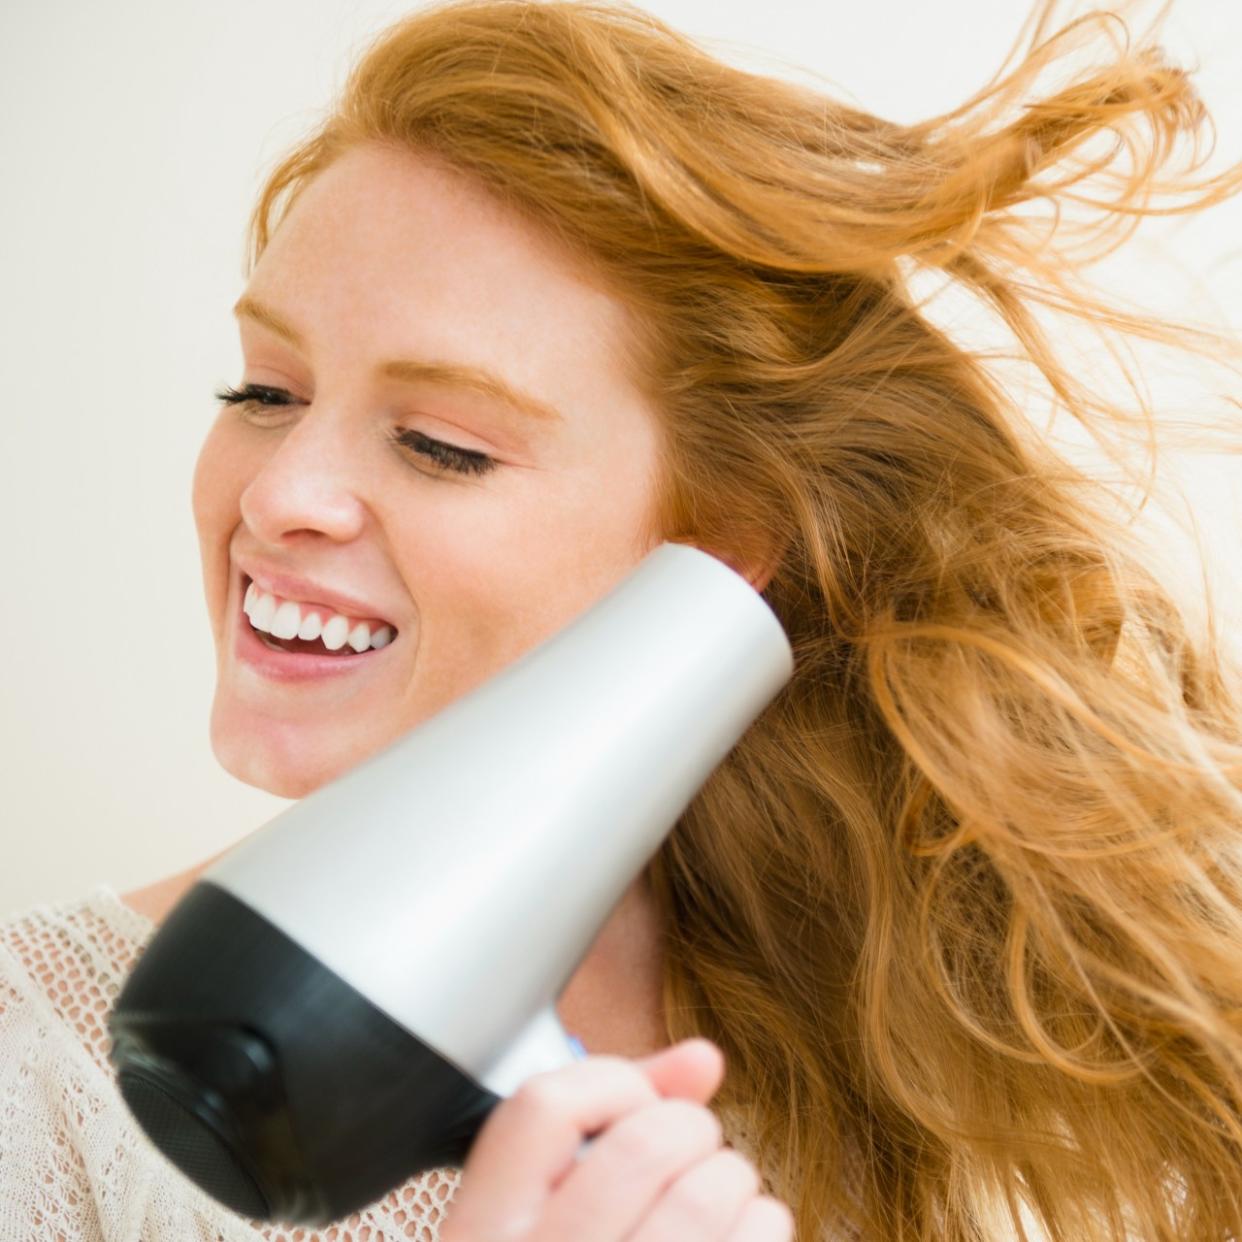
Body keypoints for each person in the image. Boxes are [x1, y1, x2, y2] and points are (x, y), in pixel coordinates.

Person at [3, 0, 1242, 1237]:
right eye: (262, 392)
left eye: (441, 446)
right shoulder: (35, 1086)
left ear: (719, 547)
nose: (275, 496)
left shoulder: (1006, 1091)